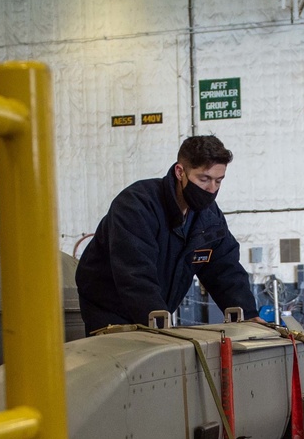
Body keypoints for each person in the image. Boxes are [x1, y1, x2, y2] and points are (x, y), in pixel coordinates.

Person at [76, 134, 258, 332]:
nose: (211, 189)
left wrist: (249, 316)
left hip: (156, 314)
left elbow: (225, 269)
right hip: (110, 315)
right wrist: (160, 325)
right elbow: (135, 275)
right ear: (180, 172)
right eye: (204, 179)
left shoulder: (209, 218)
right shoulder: (137, 206)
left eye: (218, 181)